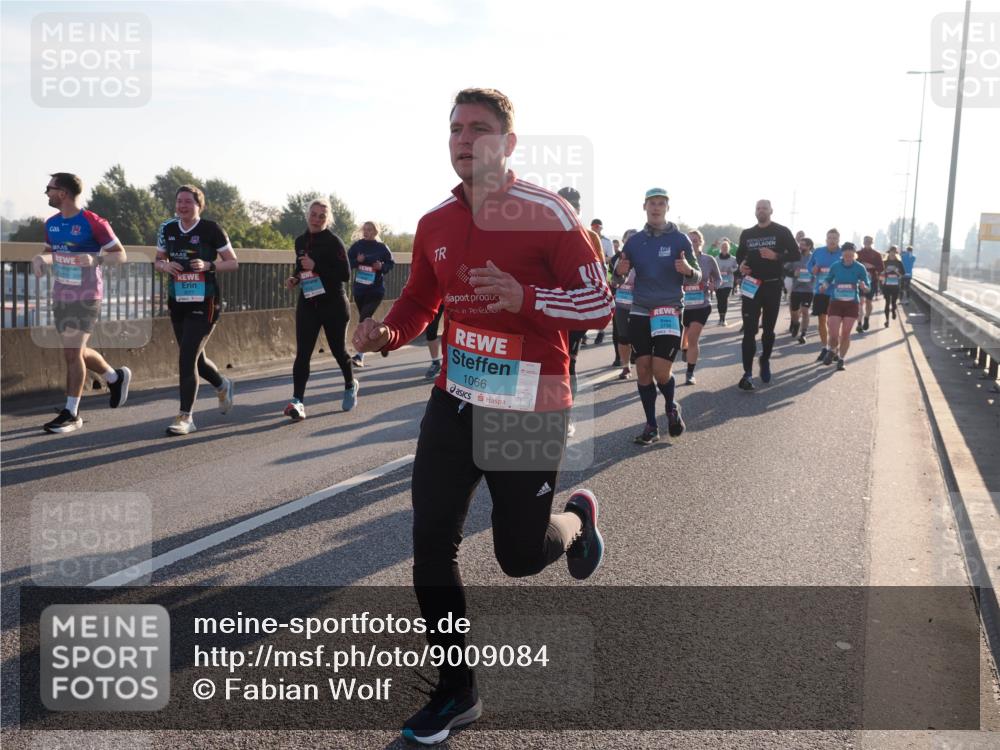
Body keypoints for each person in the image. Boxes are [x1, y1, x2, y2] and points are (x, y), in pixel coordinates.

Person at [351, 88, 613, 745]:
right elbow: (420, 300)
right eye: (455, 129)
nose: (464, 140)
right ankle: (456, 690)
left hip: (529, 405)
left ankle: (576, 521)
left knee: (519, 556)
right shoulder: (435, 223)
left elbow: (599, 304)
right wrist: (387, 334)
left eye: (479, 129)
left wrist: (527, 296)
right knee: (429, 545)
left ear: (508, 143)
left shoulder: (549, 214)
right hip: (455, 399)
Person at [32, 172, 131, 433]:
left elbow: (120, 255)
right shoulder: (51, 223)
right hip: (61, 294)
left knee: (72, 353)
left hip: (87, 296)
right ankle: (115, 377)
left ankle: (71, 413)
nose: (46, 193)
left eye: (49, 188)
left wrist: (95, 259)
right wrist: (41, 259)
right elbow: (50, 253)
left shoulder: (93, 222)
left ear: (62, 193)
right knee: (78, 351)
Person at [617, 187, 699, 445]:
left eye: (661, 203)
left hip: (668, 310)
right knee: (643, 369)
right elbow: (616, 277)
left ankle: (671, 405)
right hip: (640, 310)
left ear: (667, 208)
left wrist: (688, 270)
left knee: (661, 371)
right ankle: (651, 425)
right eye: (652, 203)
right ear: (645, 207)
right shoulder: (634, 241)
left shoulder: (680, 239)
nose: (656, 207)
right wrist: (617, 271)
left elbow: (696, 274)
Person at [155, 186, 237, 435]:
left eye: (188, 202)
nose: (182, 206)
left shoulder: (211, 229)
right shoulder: (167, 228)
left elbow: (232, 262)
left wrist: (208, 265)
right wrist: (165, 266)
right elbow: (158, 259)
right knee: (196, 360)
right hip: (178, 300)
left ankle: (185, 417)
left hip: (205, 301)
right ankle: (222, 385)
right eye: (179, 201)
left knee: (187, 357)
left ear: (199, 205)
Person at [283, 198, 357, 420]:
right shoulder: (300, 241)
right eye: (313, 215)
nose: (316, 219)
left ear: (328, 219)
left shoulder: (334, 242)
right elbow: (301, 267)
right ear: (307, 215)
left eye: (321, 216)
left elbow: (345, 275)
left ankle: (350, 384)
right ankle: (298, 401)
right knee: (303, 353)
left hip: (333, 304)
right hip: (309, 302)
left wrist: (317, 266)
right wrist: (295, 278)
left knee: (338, 351)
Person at [557, 187, 607, 437]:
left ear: (578, 209)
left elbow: (600, 275)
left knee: (569, 364)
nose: (569, 210)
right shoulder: (542, 234)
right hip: (548, 308)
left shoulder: (590, 236)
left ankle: (565, 416)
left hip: (575, 309)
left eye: (573, 206)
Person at [735, 200, 800, 390]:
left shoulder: (782, 231)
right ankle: (747, 373)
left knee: (769, 330)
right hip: (751, 285)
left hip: (772, 285)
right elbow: (740, 255)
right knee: (749, 331)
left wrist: (776, 256)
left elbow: (796, 255)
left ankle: (764, 360)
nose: (761, 211)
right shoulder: (747, 233)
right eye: (758, 208)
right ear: (755, 212)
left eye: (764, 208)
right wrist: (741, 265)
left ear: (771, 211)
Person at [348, 221, 395, 367]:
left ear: (375, 232)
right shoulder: (357, 246)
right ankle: (384, 342)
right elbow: (347, 262)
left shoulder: (382, 248)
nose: (366, 232)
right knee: (367, 320)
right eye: (365, 229)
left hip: (375, 290)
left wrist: (382, 266)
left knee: (364, 319)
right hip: (359, 289)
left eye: (369, 230)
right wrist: (357, 261)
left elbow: (391, 264)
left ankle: (359, 356)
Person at [818, 242, 870, 370]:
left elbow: (867, 286)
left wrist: (864, 287)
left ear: (854, 255)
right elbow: (828, 279)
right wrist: (824, 286)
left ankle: (841, 359)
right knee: (833, 334)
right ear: (842, 254)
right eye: (846, 255)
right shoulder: (836, 266)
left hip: (851, 304)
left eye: (850, 255)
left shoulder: (860, 267)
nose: (848, 257)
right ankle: (832, 350)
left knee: (846, 334)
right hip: (836, 303)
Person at [681, 229, 721, 385]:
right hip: (683, 305)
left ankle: (690, 373)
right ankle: (685, 349)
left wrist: (713, 286)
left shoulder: (708, 260)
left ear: (701, 242)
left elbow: (718, 279)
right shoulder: (680, 259)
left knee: (693, 337)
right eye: (690, 241)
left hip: (702, 304)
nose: (693, 243)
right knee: (684, 338)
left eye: (695, 240)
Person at [806, 228, 843, 364]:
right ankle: (825, 347)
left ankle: (835, 349)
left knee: (834, 323)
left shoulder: (843, 253)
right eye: (830, 238)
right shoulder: (818, 252)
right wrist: (813, 270)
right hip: (821, 291)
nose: (832, 240)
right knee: (822, 320)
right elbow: (809, 266)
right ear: (826, 239)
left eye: (835, 238)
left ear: (838, 240)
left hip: (837, 292)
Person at [610, 228, 638, 377]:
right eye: (628, 240)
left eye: (634, 239)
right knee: (623, 337)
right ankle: (626, 367)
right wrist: (615, 281)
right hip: (621, 303)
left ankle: (645, 366)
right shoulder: (619, 259)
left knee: (640, 337)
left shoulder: (645, 259)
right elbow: (613, 280)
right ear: (624, 242)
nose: (631, 242)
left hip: (641, 305)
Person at [786, 237, 814, 343]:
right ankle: (796, 323)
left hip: (808, 290)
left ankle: (803, 333)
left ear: (809, 246)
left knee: (805, 311)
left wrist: (815, 274)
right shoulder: (795, 257)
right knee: (794, 312)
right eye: (800, 244)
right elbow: (785, 269)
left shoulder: (813, 258)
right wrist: (793, 273)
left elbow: (819, 271)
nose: (800, 246)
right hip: (796, 289)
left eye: (803, 245)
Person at [856, 235, 884, 333]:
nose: (867, 242)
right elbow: (852, 265)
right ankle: (859, 323)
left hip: (872, 281)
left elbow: (881, 268)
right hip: (860, 281)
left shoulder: (876, 254)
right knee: (860, 302)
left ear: (872, 242)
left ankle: (866, 318)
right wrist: (862, 266)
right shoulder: (858, 253)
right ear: (863, 242)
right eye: (866, 241)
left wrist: (872, 266)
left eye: (869, 241)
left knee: (868, 302)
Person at [715, 239, 737, 326]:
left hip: (728, 282)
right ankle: (720, 317)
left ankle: (723, 319)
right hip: (719, 282)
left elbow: (736, 268)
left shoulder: (733, 259)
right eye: (723, 247)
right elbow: (713, 269)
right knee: (719, 300)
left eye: (726, 247)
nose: (724, 248)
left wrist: (730, 270)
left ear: (728, 248)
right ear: (720, 248)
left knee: (724, 298)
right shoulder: (716, 259)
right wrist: (718, 272)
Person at [882, 245, 905, 326]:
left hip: (895, 285)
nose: (892, 254)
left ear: (896, 253)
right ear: (889, 253)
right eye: (891, 252)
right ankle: (887, 320)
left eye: (894, 252)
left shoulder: (899, 263)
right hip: (886, 285)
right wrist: (885, 271)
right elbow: (880, 273)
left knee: (893, 302)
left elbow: (903, 274)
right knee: (887, 302)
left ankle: (894, 310)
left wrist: (896, 271)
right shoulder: (884, 262)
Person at [423, 304, 445, 378]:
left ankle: (453, 364)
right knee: (430, 329)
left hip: (453, 299)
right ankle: (435, 362)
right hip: (436, 301)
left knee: (453, 327)